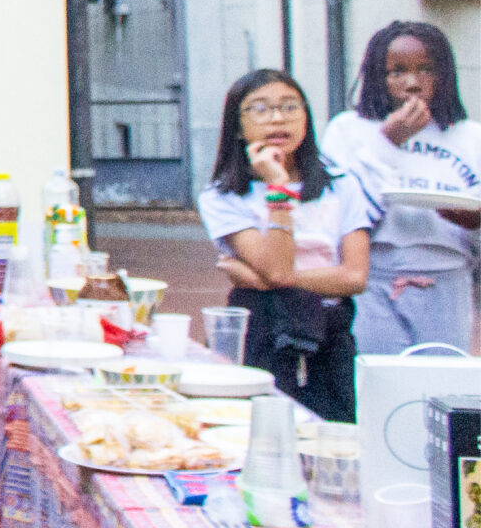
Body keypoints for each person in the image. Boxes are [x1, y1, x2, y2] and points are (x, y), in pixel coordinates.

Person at [201, 70, 374, 421]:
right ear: (237, 126)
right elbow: (278, 266)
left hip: (330, 331)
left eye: (289, 107)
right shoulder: (223, 197)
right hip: (263, 328)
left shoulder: (342, 185)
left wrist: (263, 279)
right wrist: (278, 189)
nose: (277, 118)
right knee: (259, 431)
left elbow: (355, 277)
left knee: (333, 432)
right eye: (260, 109)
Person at [321, 22, 481, 354]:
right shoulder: (348, 130)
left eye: (426, 70)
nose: (411, 83)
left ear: (445, 74)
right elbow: (335, 211)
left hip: (447, 278)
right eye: (396, 72)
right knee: (379, 384)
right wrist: (387, 143)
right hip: (373, 278)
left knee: (440, 386)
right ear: (377, 76)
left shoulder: (469, 136)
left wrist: (474, 222)